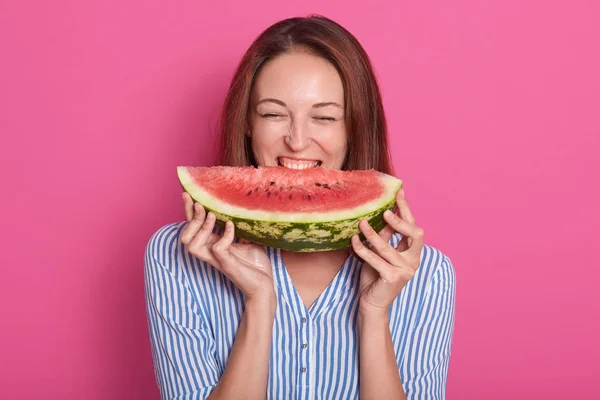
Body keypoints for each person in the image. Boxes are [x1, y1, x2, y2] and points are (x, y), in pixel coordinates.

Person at [144, 15, 456, 400]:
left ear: (354, 127)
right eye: (273, 114)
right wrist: (259, 304)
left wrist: (374, 315)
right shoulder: (176, 258)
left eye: (324, 117)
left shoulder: (427, 278)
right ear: (247, 123)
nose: (296, 141)